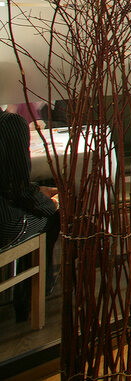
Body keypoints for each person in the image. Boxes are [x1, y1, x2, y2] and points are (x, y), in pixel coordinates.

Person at [0, 112, 60, 322]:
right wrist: (50, 204)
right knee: (50, 215)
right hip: (4, 226)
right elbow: (19, 191)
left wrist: (36, 191)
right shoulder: (10, 124)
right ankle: (27, 301)